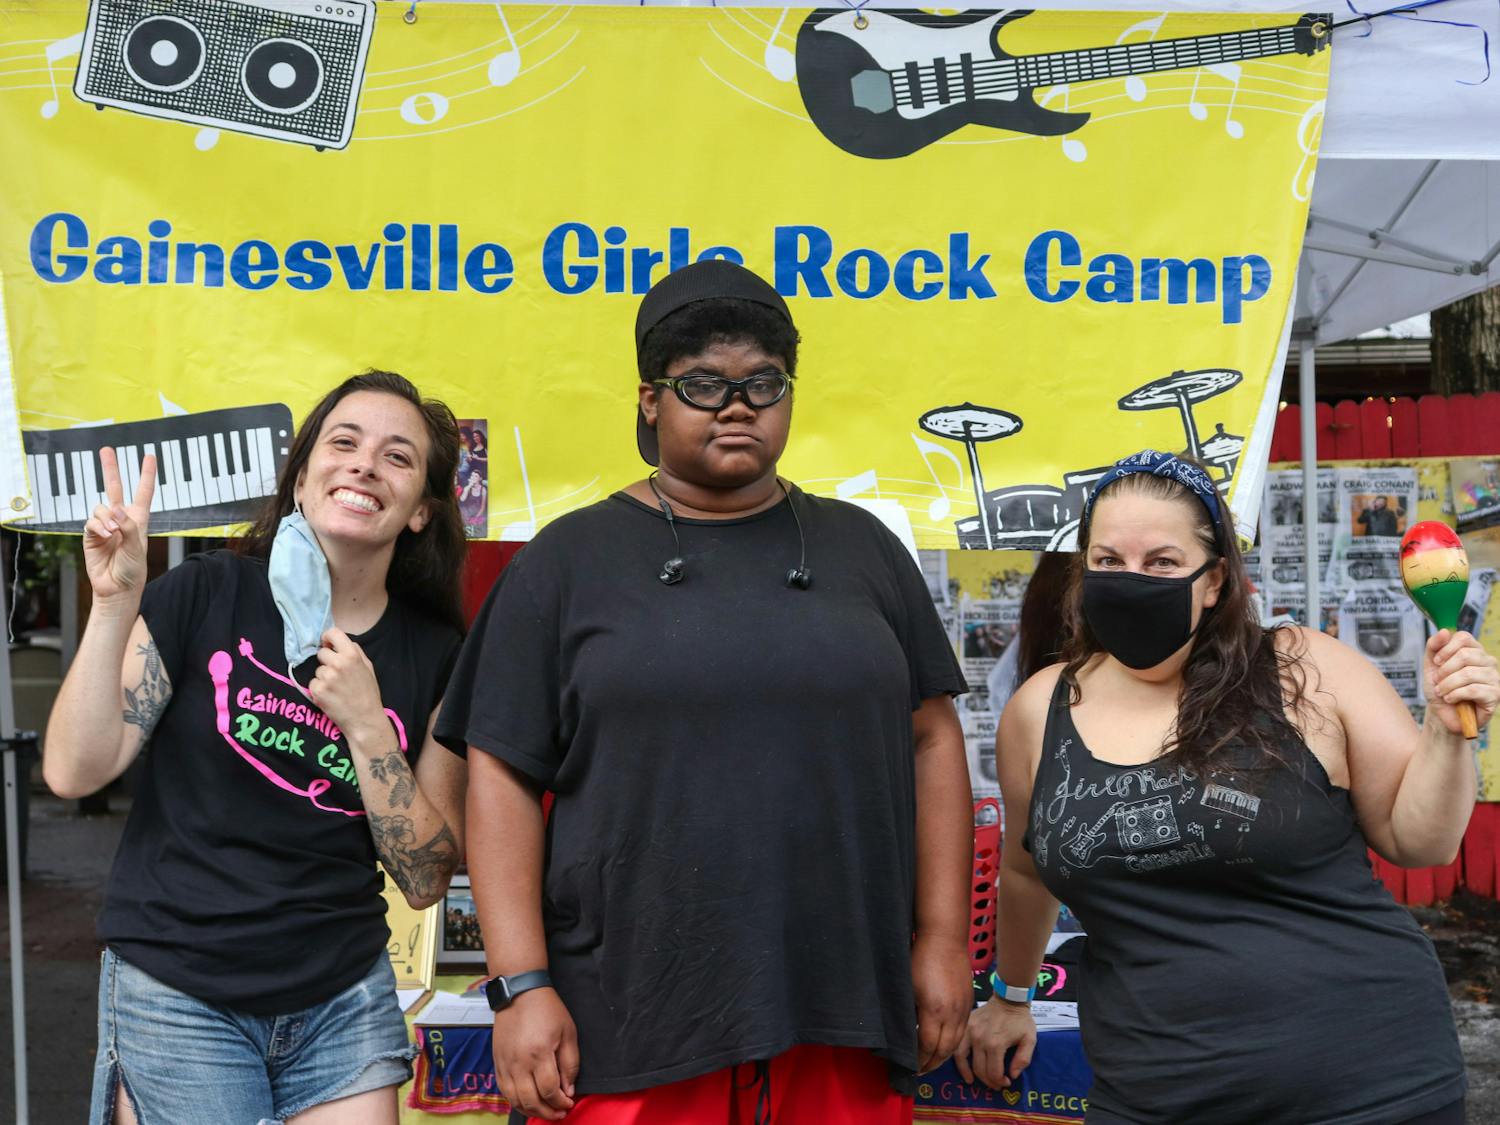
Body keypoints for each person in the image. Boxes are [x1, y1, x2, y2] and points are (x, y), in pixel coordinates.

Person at [437, 260, 973, 1125]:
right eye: (704, 384)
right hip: (626, 1018)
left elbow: (932, 739)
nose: (738, 403)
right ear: (652, 401)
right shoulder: (565, 563)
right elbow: (497, 775)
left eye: (764, 381)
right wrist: (520, 983)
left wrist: (946, 939)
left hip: (841, 1005)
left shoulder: (863, 550)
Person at [955, 450, 1499, 1124]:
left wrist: (1448, 735)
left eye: (1160, 561)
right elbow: (1026, 870)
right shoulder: (1039, 710)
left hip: (1370, 1085)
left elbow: (1422, 839)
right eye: (1107, 561)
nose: (1131, 579)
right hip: (1153, 1095)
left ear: (1213, 580)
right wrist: (1009, 996)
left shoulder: (1305, 668)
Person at [45, 370, 471, 1125]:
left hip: (341, 996)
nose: (366, 463)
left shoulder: (440, 655)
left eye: (397, 457)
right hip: (180, 986)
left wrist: (368, 725)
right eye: (344, 442)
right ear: (302, 475)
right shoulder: (205, 595)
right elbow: (75, 768)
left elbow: (427, 876)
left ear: (420, 512)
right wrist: (114, 601)